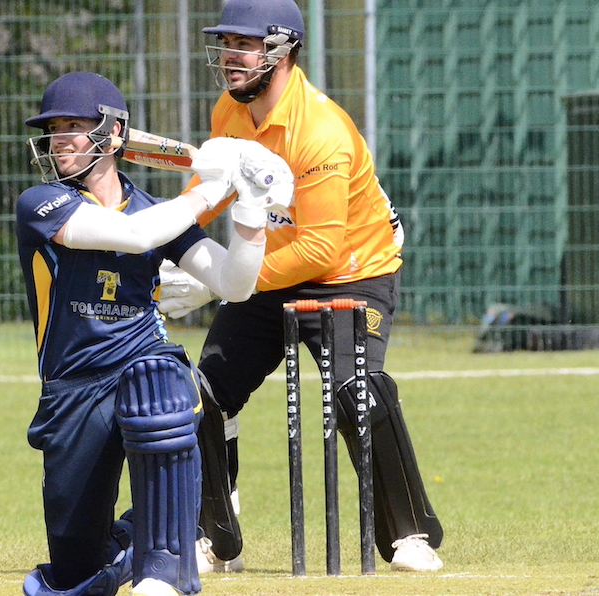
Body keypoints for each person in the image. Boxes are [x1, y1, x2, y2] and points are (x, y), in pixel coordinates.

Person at [158, 0, 445, 574]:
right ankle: (215, 535)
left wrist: (220, 281)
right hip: (271, 266)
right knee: (202, 390)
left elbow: (321, 248)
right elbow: (206, 195)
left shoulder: (321, 129)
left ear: (282, 49)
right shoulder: (230, 111)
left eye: (244, 44)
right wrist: (174, 253)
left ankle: (410, 533)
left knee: (355, 391)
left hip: (353, 273)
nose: (229, 57)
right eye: (226, 43)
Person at [15, 71, 293, 596]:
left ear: (113, 133)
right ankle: (130, 544)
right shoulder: (41, 204)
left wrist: (251, 207)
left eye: (74, 125)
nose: (60, 139)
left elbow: (234, 284)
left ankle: (166, 566)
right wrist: (213, 186)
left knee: (159, 390)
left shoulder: (155, 211)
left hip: (142, 361)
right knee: (79, 567)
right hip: (73, 388)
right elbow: (134, 235)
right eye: (54, 128)